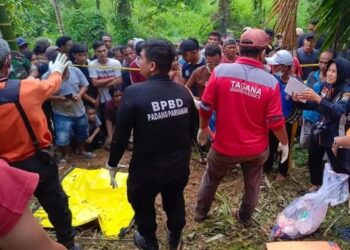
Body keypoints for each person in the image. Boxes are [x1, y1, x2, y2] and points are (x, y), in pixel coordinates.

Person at [106, 39, 196, 250]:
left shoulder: (134, 92)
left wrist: (112, 163)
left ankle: (149, 240)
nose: (138, 62)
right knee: (174, 199)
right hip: (177, 164)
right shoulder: (183, 92)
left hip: (147, 168)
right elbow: (192, 129)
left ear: (152, 65)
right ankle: (175, 237)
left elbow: (120, 135)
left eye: (141, 58)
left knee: (142, 203)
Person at [194, 29, 289, 226]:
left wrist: (203, 128)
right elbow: (276, 121)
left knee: (211, 180)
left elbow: (205, 106)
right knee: (253, 185)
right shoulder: (271, 82)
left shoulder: (220, 71)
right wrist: (284, 142)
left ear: (239, 48)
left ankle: (200, 213)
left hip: (223, 147)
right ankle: (245, 218)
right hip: (256, 149)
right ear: (263, 53)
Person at [0, 39, 80, 250]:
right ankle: (68, 243)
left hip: (4, 170)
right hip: (37, 160)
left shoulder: (27, 87)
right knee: (56, 203)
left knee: (14, 212)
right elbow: (52, 84)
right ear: (8, 60)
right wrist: (56, 70)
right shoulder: (27, 88)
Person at [293, 58, 350, 192]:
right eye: (329, 70)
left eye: (334, 71)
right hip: (320, 129)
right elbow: (315, 105)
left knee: (339, 166)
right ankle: (315, 185)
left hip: (336, 134)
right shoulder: (327, 87)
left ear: (342, 73)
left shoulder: (346, 92)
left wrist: (317, 98)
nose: (330, 74)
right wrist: (299, 101)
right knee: (314, 158)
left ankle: (342, 191)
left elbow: (337, 111)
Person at [0, 159, 66, 250]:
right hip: (30, 157)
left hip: (33, 156)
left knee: (56, 203)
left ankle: (67, 239)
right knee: (56, 203)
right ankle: (68, 240)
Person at [43, 53, 91, 161]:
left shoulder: (75, 71)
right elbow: (43, 95)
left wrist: (79, 94)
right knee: (62, 138)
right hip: (61, 113)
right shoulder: (47, 77)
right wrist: (58, 98)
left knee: (82, 133)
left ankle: (81, 151)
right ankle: (66, 155)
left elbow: (85, 85)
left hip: (79, 110)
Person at [264, 50, 299, 181]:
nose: (273, 68)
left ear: (285, 67)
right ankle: (266, 167)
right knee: (270, 144)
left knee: (286, 145)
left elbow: (302, 104)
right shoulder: (272, 79)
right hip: (272, 118)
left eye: (276, 65)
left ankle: (282, 172)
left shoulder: (294, 83)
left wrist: (297, 100)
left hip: (287, 120)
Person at [300, 51, 333, 149]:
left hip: (321, 119)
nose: (322, 65)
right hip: (308, 115)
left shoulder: (332, 80)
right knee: (304, 143)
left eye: (326, 63)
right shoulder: (312, 75)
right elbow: (305, 92)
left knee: (317, 146)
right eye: (321, 62)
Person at [89, 41, 122, 120]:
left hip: (116, 97)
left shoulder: (115, 63)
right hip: (102, 99)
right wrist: (111, 78)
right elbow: (95, 83)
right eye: (99, 51)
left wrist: (102, 83)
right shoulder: (92, 64)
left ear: (107, 50)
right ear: (95, 52)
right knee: (107, 120)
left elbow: (119, 80)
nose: (102, 53)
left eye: (104, 50)